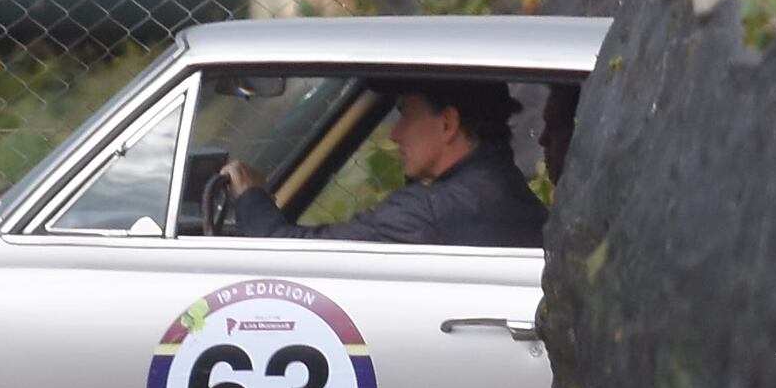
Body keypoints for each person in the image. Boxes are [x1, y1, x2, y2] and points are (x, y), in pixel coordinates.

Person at [212, 77, 544, 248]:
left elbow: (284, 257)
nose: (395, 135)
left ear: (447, 123)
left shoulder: (428, 213)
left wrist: (251, 195)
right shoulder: (510, 195)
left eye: (405, 114)